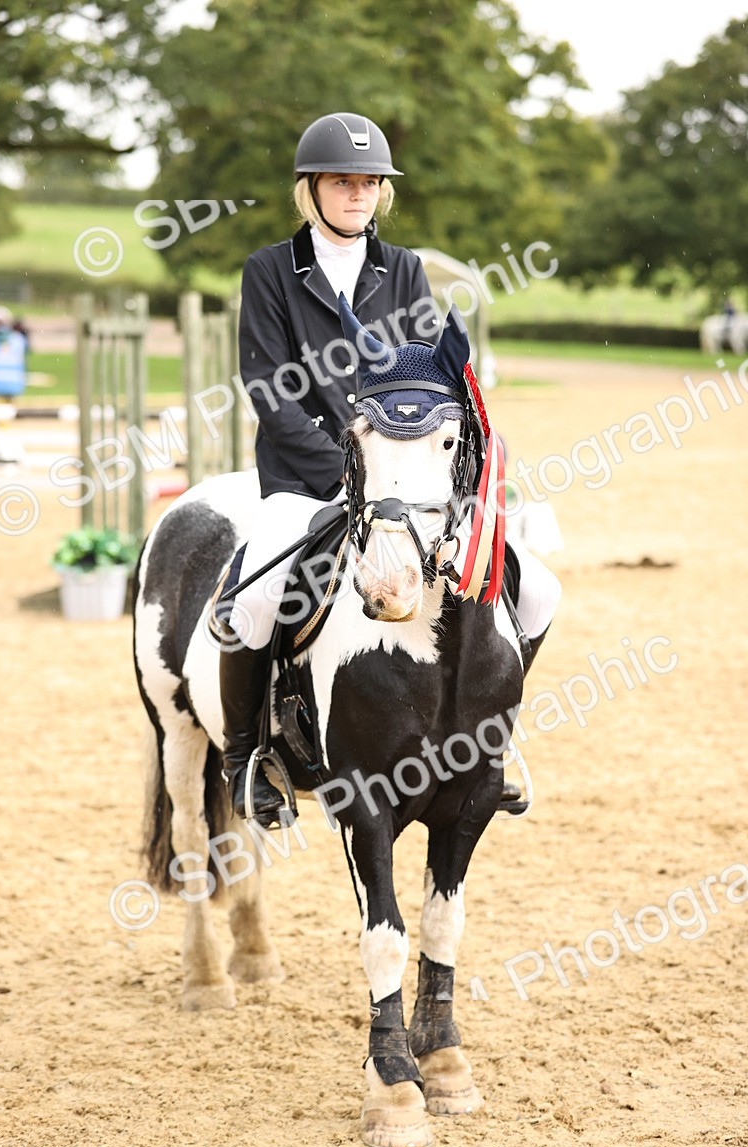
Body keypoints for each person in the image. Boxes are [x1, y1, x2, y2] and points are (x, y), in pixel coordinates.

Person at [220, 111, 560, 823]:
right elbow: (270, 394)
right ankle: (246, 758)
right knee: (251, 602)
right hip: (306, 481)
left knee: (538, 591)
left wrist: (468, 462)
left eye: (369, 183)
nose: (357, 195)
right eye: (343, 182)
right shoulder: (271, 272)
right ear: (309, 190)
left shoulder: (402, 270)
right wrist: (349, 477)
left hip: (402, 485)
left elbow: (428, 381)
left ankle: (486, 743)